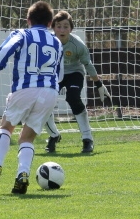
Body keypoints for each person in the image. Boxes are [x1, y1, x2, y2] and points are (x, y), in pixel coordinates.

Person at [0, 1, 64, 194]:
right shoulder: (56, 41)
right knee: (27, 138)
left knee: (6, 127)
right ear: (50, 23)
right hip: (50, 91)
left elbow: (7, 48)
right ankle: (22, 174)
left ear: (28, 20)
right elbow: (59, 70)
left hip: (25, 88)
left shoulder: (22, 34)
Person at [42, 10, 111, 154]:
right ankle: (54, 136)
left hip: (74, 73)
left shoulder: (78, 45)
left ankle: (87, 139)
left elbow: (88, 64)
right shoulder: (46, 42)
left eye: (66, 26)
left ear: (71, 29)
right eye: (59, 26)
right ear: (53, 27)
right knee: (44, 101)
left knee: (73, 97)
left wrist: (99, 84)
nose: (62, 29)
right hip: (54, 74)